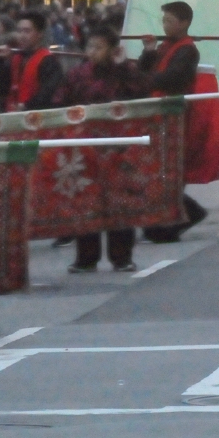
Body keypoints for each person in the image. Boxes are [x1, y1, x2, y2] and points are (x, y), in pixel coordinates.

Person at [63, 25, 149, 273]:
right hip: (85, 147)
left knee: (120, 203)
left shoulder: (125, 73)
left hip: (118, 148)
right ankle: (86, 258)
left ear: (112, 50)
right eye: (89, 46)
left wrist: (124, 68)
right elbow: (60, 102)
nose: (92, 52)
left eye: (98, 47)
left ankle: (122, 257)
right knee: (86, 203)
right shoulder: (76, 75)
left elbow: (142, 94)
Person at [139, 0, 219, 242]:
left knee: (168, 169)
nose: (165, 26)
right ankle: (164, 222)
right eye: (163, 21)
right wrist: (149, 51)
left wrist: (147, 80)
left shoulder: (187, 50)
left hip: (173, 115)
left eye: (170, 21)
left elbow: (172, 79)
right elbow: (145, 70)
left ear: (184, 23)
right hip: (157, 113)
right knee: (158, 169)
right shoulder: (164, 46)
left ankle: (184, 215)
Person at [0, 10, 65, 111]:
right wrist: (0, 61)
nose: (22, 36)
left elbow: (48, 94)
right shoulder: (16, 58)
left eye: (27, 31)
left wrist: (27, 106)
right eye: (19, 31)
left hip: (35, 117)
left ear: (40, 34)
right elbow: (1, 88)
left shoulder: (49, 61)